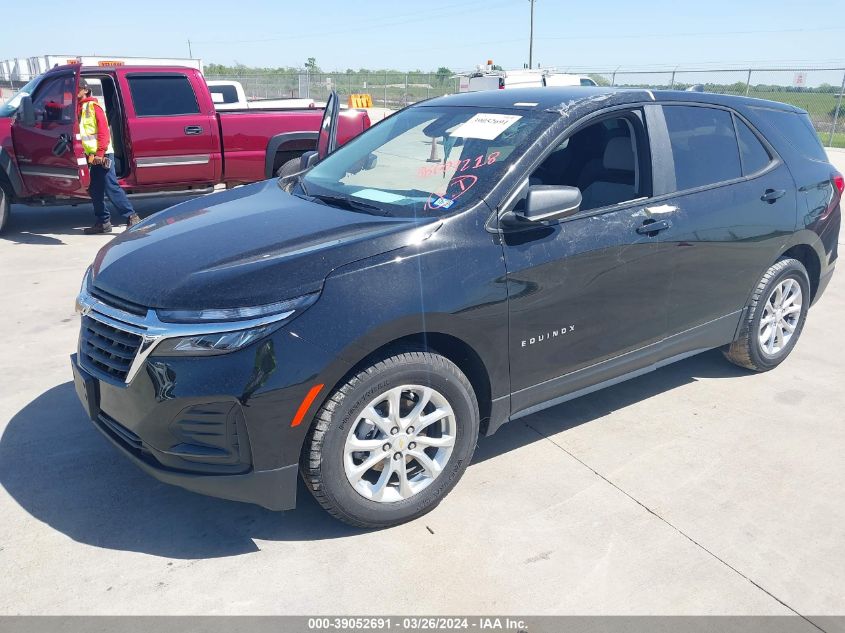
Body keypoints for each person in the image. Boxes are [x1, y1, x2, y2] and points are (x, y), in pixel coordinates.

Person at [77, 78, 140, 234]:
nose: (74, 91)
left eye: (77, 88)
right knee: (95, 189)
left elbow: (104, 133)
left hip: (102, 154)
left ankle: (132, 217)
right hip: (91, 156)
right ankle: (103, 222)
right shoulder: (78, 108)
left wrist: (99, 153)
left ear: (85, 89)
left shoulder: (94, 107)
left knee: (110, 186)